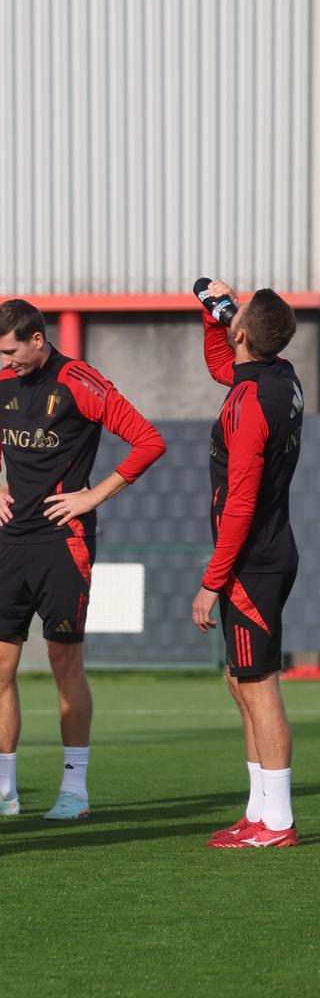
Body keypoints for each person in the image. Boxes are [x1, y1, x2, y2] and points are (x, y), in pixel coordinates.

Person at [0, 299, 166, 821]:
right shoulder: (3, 383)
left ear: (37, 339)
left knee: (63, 661)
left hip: (63, 542)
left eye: (11, 352)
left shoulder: (79, 381)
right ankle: (2, 792)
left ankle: (74, 792)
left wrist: (93, 496)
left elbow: (148, 441)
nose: (5, 362)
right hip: (13, 541)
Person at [193, 283, 302, 848]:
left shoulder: (249, 402)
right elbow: (225, 365)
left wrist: (212, 582)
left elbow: (240, 502)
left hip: (251, 564)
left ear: (242, 334)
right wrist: (215, 318)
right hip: (265, 554)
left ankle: (278, 823)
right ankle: (258, 810)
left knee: (258, 687)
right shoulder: (280, 375)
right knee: (241, 682)